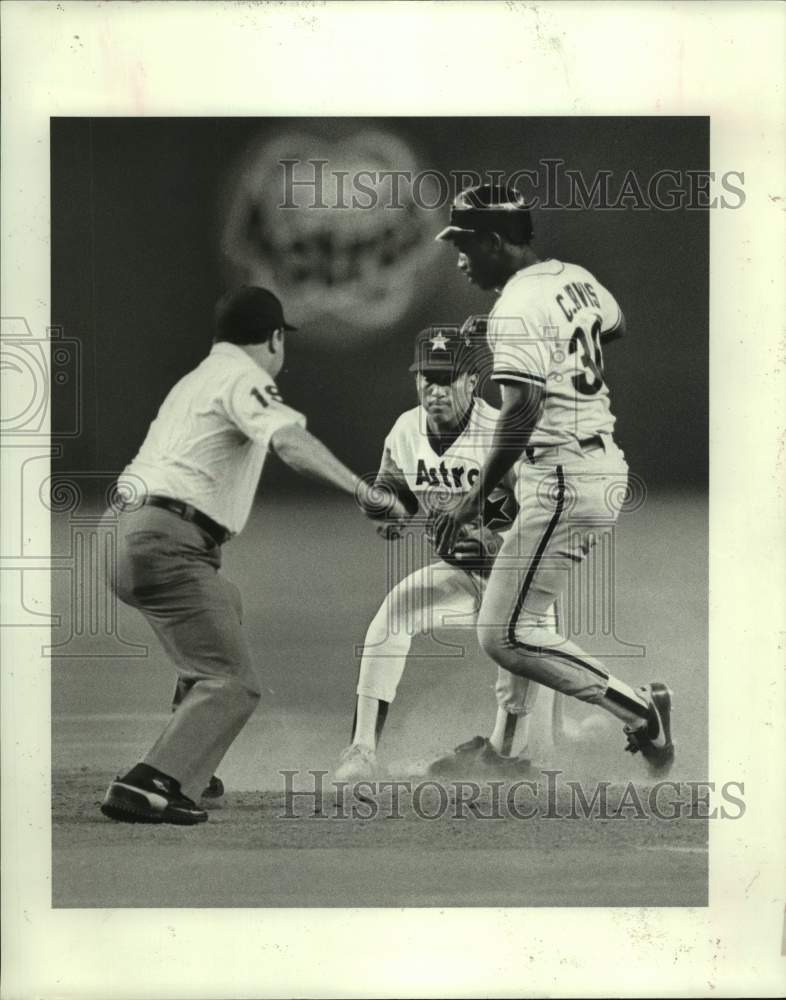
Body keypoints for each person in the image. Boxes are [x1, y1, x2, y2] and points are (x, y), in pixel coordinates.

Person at [101, 286, 406, 825]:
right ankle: (153, 781)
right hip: (166, 538)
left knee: (225, 601)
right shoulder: (244, 377)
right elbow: (289, 443)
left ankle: (192, 755)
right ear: (273, 337)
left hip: (121, 534)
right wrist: (364, 491)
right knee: (232, 682)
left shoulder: (197, 378)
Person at [432, 183, 674, 775]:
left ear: (495, 241)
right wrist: (525, 340)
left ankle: (641, 713)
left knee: (502, 634)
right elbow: (611, 325)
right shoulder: (574, 276)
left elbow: (521, 411)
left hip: (563, 477)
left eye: (465, 243)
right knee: (523, 617)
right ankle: (504, 750)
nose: (459, 257)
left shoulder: (515, 307)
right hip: (592, 465)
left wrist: (476, 495)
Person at [334, 322, 558, 783]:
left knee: (529, 751)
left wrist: (500, 545)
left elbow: (549, 519)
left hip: (521, 585)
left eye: (447, 378)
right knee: (391, 618)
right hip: (461, 576)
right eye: (426, 378)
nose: (434, 390)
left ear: (472, 383)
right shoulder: (405, 429)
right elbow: (395, 491)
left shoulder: (503, 433)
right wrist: (387, 509)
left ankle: (629, 712)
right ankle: (360, 750)